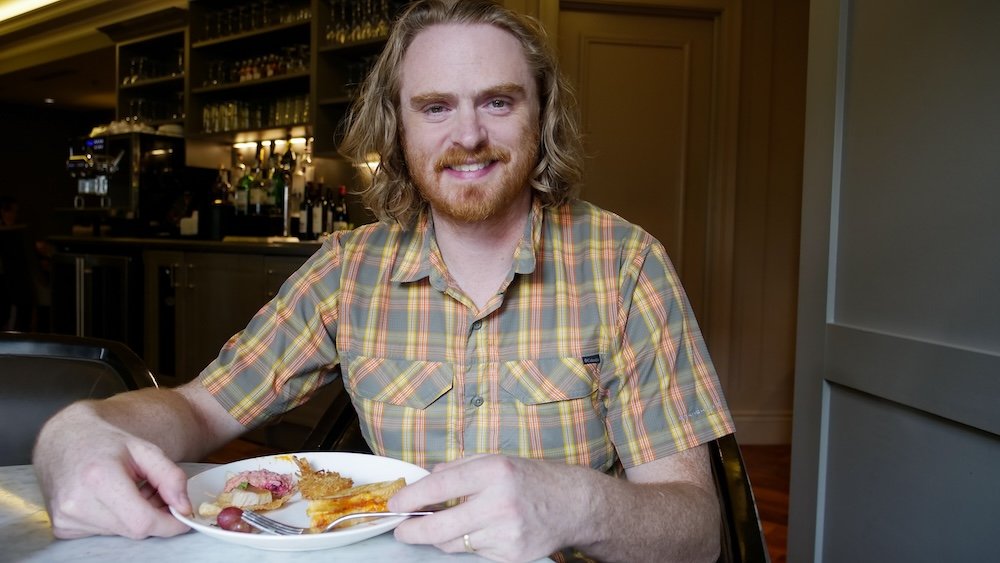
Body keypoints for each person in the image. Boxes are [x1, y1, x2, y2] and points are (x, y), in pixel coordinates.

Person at [32, 1, 734, 561]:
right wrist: (77, 428)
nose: (467, 136)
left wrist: (579, 506)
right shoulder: (347, 271)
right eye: (435, 107)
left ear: (540, 115)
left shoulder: (626, 263)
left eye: (497, 101)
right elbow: (197, 408)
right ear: (397, 127)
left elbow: (697, 530)